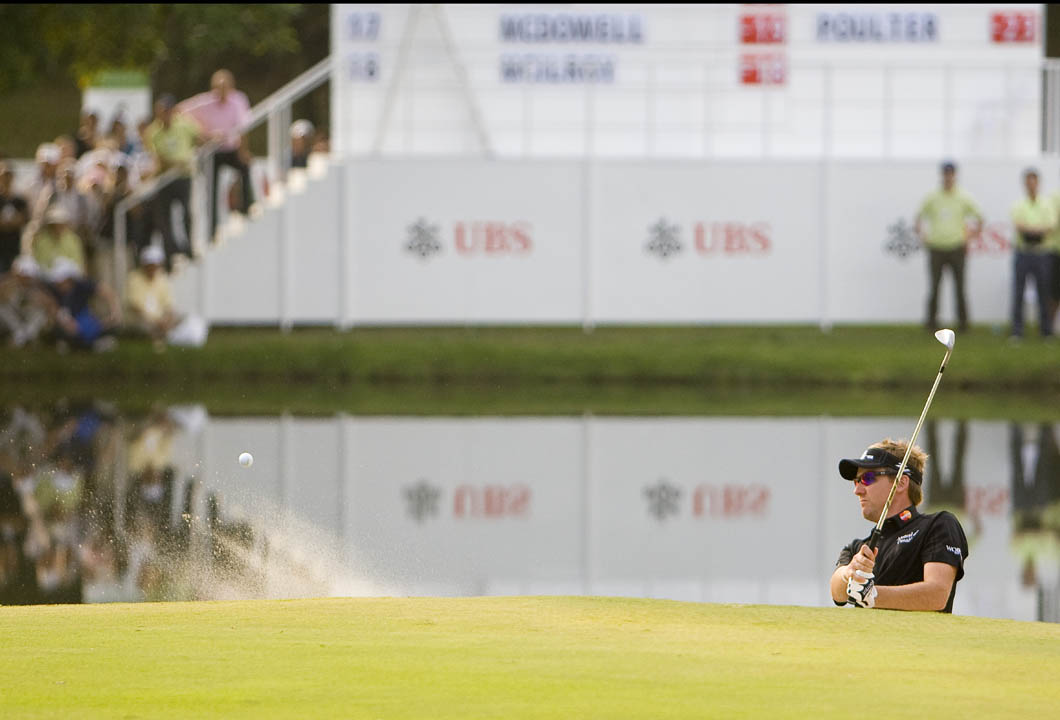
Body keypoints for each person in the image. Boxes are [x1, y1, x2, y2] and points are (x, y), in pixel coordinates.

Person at [829, 439, 969, 613]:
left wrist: (872, 595)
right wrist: (850, 572)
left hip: (919, 640)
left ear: (901, 483)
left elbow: (937, 595)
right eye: (856, 481)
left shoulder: (938, 525)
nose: (857, 490)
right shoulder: (858, 548)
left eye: (867, 478)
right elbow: (837, 593)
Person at [176, 69, 254, 238]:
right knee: (211, 189)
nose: (221, 91)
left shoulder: (238, 100)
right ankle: (212, 229)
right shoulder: (205, 102)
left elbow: (243, 127)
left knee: (245, 168)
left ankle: (246, 207)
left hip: (232, 148)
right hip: (213, 151)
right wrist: (204, 135)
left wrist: (243, 150)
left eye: (225, 87)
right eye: (218, 87)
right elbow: (179, 112)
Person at [914, 161, 982, 333]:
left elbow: (979, 218)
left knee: (960, 288)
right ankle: (931, 323)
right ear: (941, 175)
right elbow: (918, 217)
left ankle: (963, 324)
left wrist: (969, 237)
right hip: (936, 248)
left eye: (951, 174)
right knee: (934, 287)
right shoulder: (933, 197)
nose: (948, 177)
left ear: (955, 175)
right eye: (945, 174)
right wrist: (923, 236)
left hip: (957, 247)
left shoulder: (963, 197)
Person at [145, 94, 202, 267]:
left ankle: (188, 248)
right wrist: (179, 162)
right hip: (165, 178)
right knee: (164, 220)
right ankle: (171, 254)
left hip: (183, 177)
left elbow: (199, 138)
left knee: (187, 214)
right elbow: (159, 159)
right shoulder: (153, 132)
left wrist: (189, 158)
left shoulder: (184, 125)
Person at [1009, 168, 1057, 340]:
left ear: (1038, 183)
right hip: (1023, 253)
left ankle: (1046, 331)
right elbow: (1018, 225)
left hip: (1042, 254)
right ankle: (1017, 331)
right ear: (1025, 184)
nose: (1031, 185)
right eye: (1028, 182)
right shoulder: (1019, 205)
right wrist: (1037, 231)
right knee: (1018, 292)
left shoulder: (1046, 205)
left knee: (1044, 292)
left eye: (1034, 182)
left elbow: (1050, 226)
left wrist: (1032, 231)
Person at [45, 256, 122, 352]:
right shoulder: (54, 289)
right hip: (66, 321)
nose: (59, 284)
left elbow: (109, 294)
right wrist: (65, 321)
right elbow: (53, 307)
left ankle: (88, 343)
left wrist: (114, 313)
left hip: (84, 317)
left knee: (96, 328)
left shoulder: (83, 284)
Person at [125, 245, 180, 349]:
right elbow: (134, 307)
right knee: (144, 325)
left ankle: (162, 335)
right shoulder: (134, 278)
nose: (153, 268)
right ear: (144, 264)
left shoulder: (162, 278)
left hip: (159, 320)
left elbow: (168, 305)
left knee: (176, 317)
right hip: (141, 319)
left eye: (155, 265)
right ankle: (160, 337)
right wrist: (156, 321)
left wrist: (167, 318)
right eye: (150, 265)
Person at [0, 256, 54, 348]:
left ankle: (22, 338)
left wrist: (39, 300)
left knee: (41, 314)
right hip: (14, 319)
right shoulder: (9, 283)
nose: (26, 279)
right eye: (24, 276)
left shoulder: (38, 285)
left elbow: (50, 304)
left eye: (29, 276)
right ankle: (22, 336)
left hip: (28, 319)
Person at [31, 206, 85, 274]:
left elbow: (78, 265)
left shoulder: (73, 240)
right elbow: (38, 261)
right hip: (45, 275)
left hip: (68, 276)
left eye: (60, 225)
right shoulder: (41, 239)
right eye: (54, 225)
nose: (57, 228)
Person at [0, 162, 30, 273]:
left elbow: (24, 219)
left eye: (8, 175)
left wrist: (7, 223)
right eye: (3, 175)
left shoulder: (20, 200)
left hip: (14, 246)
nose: (6, 179)